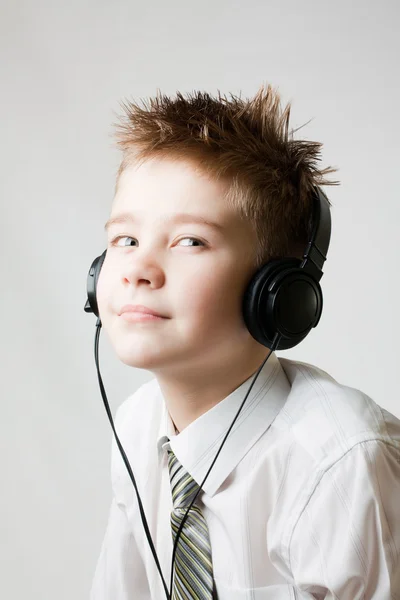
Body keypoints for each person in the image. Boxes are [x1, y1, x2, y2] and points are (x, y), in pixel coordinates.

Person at [90, 83, 400, 599]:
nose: (139, 269)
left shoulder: (340, 464)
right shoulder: (137, 427)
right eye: (125, 240)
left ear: (278, 295)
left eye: (191, 241)